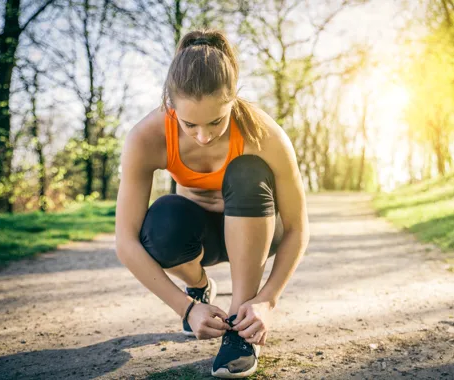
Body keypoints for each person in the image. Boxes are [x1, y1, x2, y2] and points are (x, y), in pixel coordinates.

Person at [114, 28, 309, 378]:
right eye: (190, 124)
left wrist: (267, 300)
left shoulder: (264, 135)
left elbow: (298, 228)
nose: (204, 136)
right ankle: (200, 286)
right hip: (199, 236)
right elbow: (126, 241)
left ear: (233, 99)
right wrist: (186, 308)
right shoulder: (146, 137)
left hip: (259, 229)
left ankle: (240, 328)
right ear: (170, 104)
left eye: (217, 121)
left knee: (247, 172)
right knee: (162, 221)